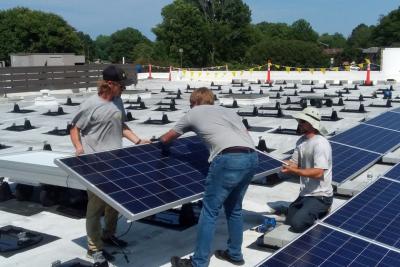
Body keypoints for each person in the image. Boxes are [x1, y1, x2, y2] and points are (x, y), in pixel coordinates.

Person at [159, 87, 259, 267]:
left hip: (228, 160)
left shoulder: (193, 113)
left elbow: (167, 138)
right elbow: (244, 136)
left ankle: (198, 263)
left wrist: (160, 146)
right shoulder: (229, 112)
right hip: (251, 157)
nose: (190, 107)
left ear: (195, 102)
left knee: (209, 212)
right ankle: (235, 254)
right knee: (235, 208)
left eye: (191, 104)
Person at [70, 65, 150, 261]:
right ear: (110, 84)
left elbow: (121, 126)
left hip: (116, 160)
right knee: (96, 207)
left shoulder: (118, 101)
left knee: (114, 202)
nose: (124, 90)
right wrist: (79, 148)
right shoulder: (90, 104)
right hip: (95, 162)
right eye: (122, 86)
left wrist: (138, 141)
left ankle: (109, 235)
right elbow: (74, 127)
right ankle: (93, 247)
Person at [281, 107, 333, 233]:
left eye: (302, 121)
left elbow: (318, 172)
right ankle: (308, 211)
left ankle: (324, 210)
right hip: (305, 194)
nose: (299, 123)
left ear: (311, 124)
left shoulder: (320, 143)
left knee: (298, 224)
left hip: (320, 196)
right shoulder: (301, 141)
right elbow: (293, 163)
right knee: (289, 221)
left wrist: (294, 171)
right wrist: (286, 164)